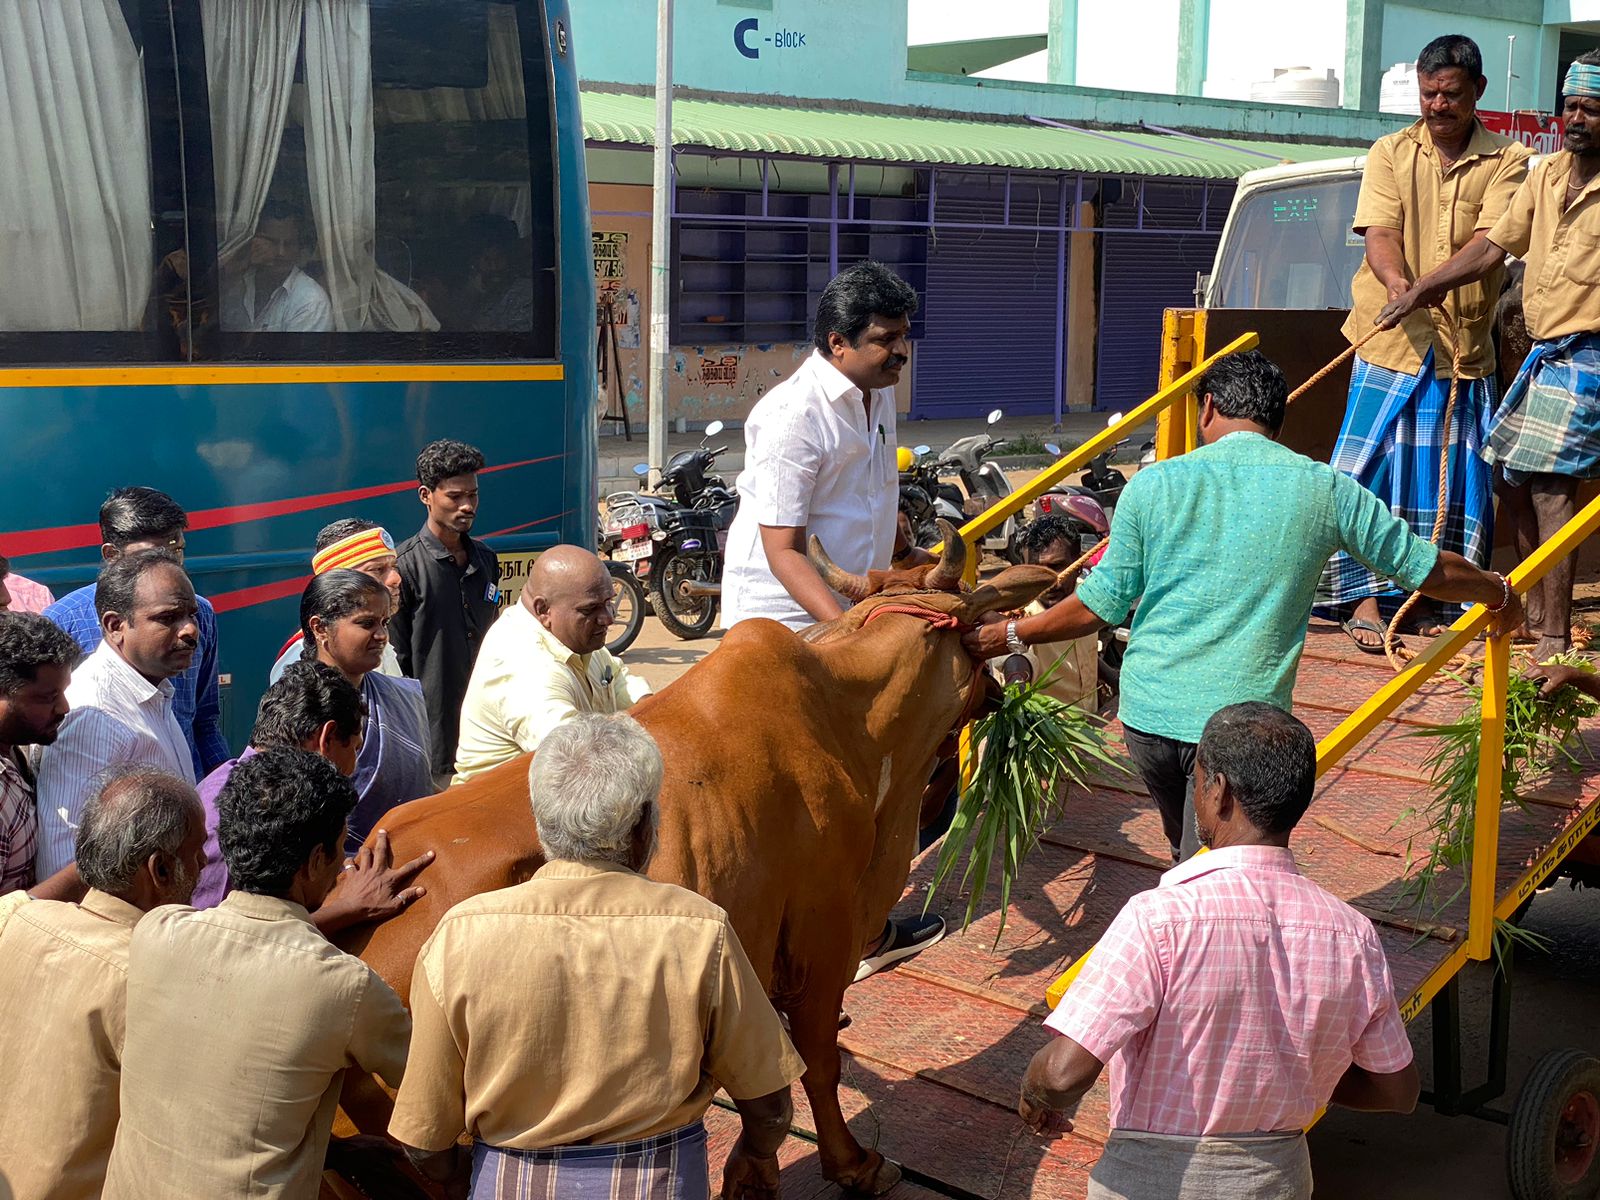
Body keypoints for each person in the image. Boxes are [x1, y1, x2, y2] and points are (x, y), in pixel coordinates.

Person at [964, 351, 1522, 862]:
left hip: (1148, 723)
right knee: (1207, 870)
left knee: (1194, 856)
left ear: (1207, 407)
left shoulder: (1152, 485)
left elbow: (1100, 605)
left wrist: (1011, 635)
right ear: (1279, 419)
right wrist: (1497, 591)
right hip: (1238, 735)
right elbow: (1429, 570)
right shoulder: (1324, 487)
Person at [390, 714, 804, 1197]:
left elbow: (424, 1143)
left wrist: (480, 1175)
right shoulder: (698, 930)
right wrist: (755, 1153)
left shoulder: (458, 937)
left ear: (543, 825)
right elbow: (769, 1103)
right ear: (642, 831)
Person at [1019, 704, 1419, 1200]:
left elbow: (1062, 1074)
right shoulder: (1353, 934)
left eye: (1198, 782)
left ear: (1219, 790)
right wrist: (1294, 1072)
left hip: (1151, 1182)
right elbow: (1397, 1091)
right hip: (1280, 1180)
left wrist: (1033, 1092)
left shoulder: (1158, 918)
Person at [718, 261, 944, 979]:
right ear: (837, 342)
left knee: (860, 784)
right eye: (885, 340)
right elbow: (784, 551)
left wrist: (906, 559)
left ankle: (854, 926)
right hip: (789, 631)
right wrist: (853, 633)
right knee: (800, 797)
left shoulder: (874, 392)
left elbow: (867, 499)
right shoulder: (793, 414)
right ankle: (787, 945)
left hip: (851, 613)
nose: (899, 352)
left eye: (905, 337)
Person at [102, 749, 412, 1200]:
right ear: (314, 861)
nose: (344, 863)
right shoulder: (345, 986)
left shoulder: (155, 931)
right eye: (342, 847)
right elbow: (429, 1080)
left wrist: (333, 1152)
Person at [1380, 51, 1600, 663]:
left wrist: (1424, 287)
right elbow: (1494, 248)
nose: (1576, 119)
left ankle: (1553, 640)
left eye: (1591, 110)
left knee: (1553, 486)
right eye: (1571, 107)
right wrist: (1420, 288)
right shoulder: (1547, 174)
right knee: (1513, 479)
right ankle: (1528, 613)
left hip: (1591, 355)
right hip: (1544, 353)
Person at [1329, 35, 1530, 652]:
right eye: (1428, 93)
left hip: (1464, 354)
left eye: (1450, 94)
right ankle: (1366, 599)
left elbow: (1491, 248)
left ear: (1478, 94)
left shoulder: (1510, 159)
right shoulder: (1389, 151)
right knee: (1368, 473)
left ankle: (1441, 602)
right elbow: (1381, 233)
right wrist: (1398, 284)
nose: (1437, 105)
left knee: (1453, 480)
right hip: (1388, 343)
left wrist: (1427, 287)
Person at [0, 767, 207, 1200]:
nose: (205, 864)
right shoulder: (159, 984)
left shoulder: (14, 918)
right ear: (161, 870)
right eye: (197, 851)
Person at [193, 661, 434, 932]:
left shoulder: (263, 793)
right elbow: (218, 938)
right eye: (354, 749)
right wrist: (347, 909)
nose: (353, 767)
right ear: (326, 739)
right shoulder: (226, 815)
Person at [35, 551, 203, 878]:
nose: (190, 631)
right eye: (168, 618)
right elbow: (64, 859)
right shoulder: (96, 713)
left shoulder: (153, 690)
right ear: (115, 626)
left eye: (190, 615)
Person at [44, 486, 228, 776]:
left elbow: (204, 721)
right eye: (152, 557)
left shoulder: (200, 615)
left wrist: (220, 792)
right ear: (111, 555)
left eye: (176, 551)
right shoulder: (61, 623)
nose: (168, 568)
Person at [453, 545, 651, 783]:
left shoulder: (577, 638)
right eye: (591, 609)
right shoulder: (522, 662)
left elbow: (617, 679)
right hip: (497, 809)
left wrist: (653, 708)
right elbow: (576, 757)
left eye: (609, 602)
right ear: (543, 610)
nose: (608, 618)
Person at [392, 439, 501, 788]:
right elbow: (397, 666)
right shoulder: (403, 568)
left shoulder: (486, 562)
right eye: (455, 497)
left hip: (487, 734)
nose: (467, 505)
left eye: (473, 495)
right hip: (431, 742)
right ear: (426, 495)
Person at [299, 570, 433, 850]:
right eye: (366, 624)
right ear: (320, 628)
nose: (382, 635)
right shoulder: (298, 706)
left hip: (416, 854)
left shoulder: (401, 696)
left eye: (384, 623)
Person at [0, 612, 79, 895]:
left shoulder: (16, 751)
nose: (64, 708)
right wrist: (87, 868)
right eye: (48, 697)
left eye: (63, 692)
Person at [269, 518, 405, 684]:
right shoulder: (303, 661)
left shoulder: (374, 642)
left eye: (394, 567)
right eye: (377, 570)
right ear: (337, 581)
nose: (395, 578)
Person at [993, 516, 1099, 713]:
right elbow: (1015, 658)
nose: (1050, 582)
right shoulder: (1018, 614)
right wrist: (1016, 686)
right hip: (1048, 738)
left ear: (1078, 564)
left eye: (1057, 566)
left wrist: (1111, 676)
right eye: (1036, 570)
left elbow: (1084, 652)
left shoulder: (1088, 597)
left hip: (1091, 730)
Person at [220, 199, 334, 333]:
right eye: (272, 242)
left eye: (289, 244)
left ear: (299, 246)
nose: (281, 252)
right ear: (253, 241)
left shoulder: (311, 301)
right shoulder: (234, 283)